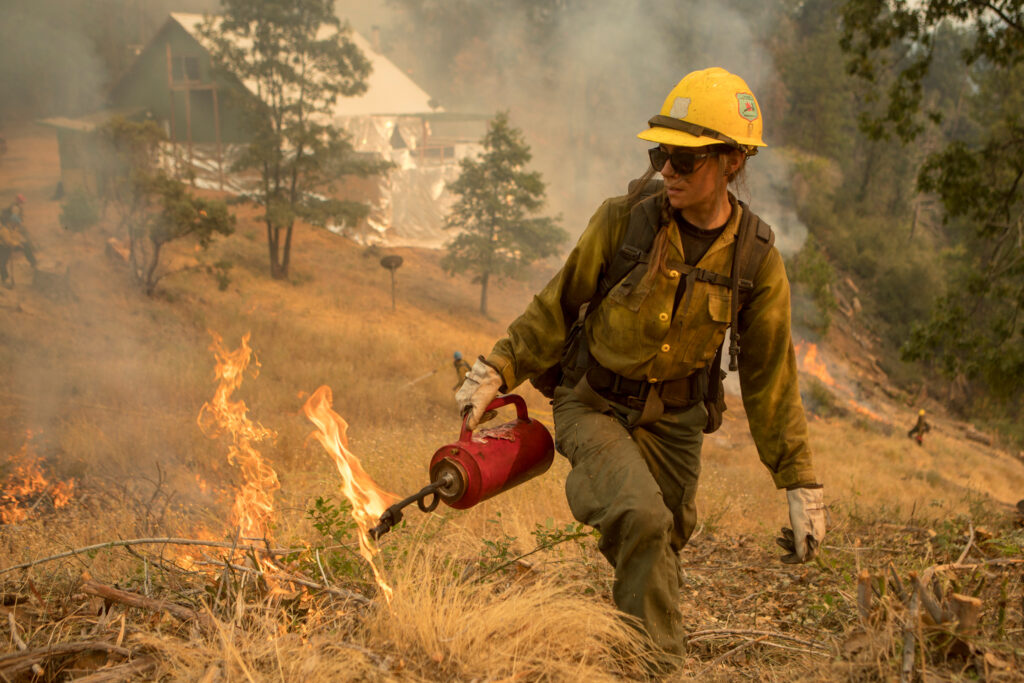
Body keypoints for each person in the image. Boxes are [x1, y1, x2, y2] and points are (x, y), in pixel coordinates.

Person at [455, 67, 825, 664]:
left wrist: (799, 482)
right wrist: (496, 369)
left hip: (676, 420)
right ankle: (655, 668)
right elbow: (557, 304)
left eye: (685, 159)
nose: (668, 171)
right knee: (640, 516)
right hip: (593, 402)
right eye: (661, 155)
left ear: (731, 162)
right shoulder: (624, 219)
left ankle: (622, 637)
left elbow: (770, 378)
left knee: (665, 536)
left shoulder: (756, 260)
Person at [0, 194, 35, 287]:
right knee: (2, 264)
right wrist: (17, 244)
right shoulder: (4, 230)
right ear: (12, 222)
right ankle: (5, 280)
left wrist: (19, 243)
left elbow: (16, 238)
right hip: (3, 247)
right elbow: (8, 241)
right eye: (16, 223)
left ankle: (33, 263)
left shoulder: (14, 228)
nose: (17, 225)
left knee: (26, 245)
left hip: (12, 246)